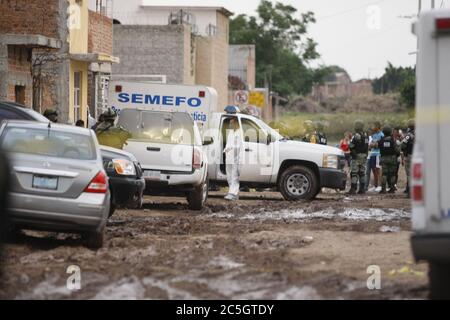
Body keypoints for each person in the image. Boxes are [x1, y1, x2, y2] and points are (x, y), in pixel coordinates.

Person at [223, 118, 243, 201]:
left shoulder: (240, 132)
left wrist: (230, 148)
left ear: (236, 123)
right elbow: (228, 143)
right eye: (230, 123)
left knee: (234, 176)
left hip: (236, 157)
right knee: (229, 176)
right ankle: (234, 192)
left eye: (232, 123)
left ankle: (233, 193)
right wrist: (225, 150)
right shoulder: (231, 132)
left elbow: (239, 146)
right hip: (229, 156)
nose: (230, 125)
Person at [348, 120, 369, 195]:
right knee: (362, 173)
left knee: (354, 173)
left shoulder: (356, 135)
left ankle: (353, 189)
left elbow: (351, 146)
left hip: (356, 156)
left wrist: (353, 153)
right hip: (364, 156)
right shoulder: (366, 135)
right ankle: (362, 189)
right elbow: (367, 146)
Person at [378, 125, 400, 194]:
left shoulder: (381, 140)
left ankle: (383, 189)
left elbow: (376, 146)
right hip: (392, 158)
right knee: (392, 174)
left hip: (384, 158)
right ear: (390, 131)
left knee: (384, 174)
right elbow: (397, 150)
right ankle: (392, 188)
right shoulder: (393, 140)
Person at [366, 122, 384, 192]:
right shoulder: (374, 135)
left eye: (374, 126)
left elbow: (378, 145)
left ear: (378, 127)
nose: (372, 127)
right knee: (373, 171)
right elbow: (370, 145)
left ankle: (380, 185)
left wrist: (374, 144)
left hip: (378, 154)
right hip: (372, 154)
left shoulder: (381, 134)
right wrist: (373, 144)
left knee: (378, 170)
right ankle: (375, 185)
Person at [401, 119, 415, 197]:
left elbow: (403, 145)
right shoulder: (421, 133)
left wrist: (403, 150)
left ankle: (410, 192)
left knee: (410, 174)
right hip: (419, 156)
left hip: (410, 155)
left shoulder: (409, 135)